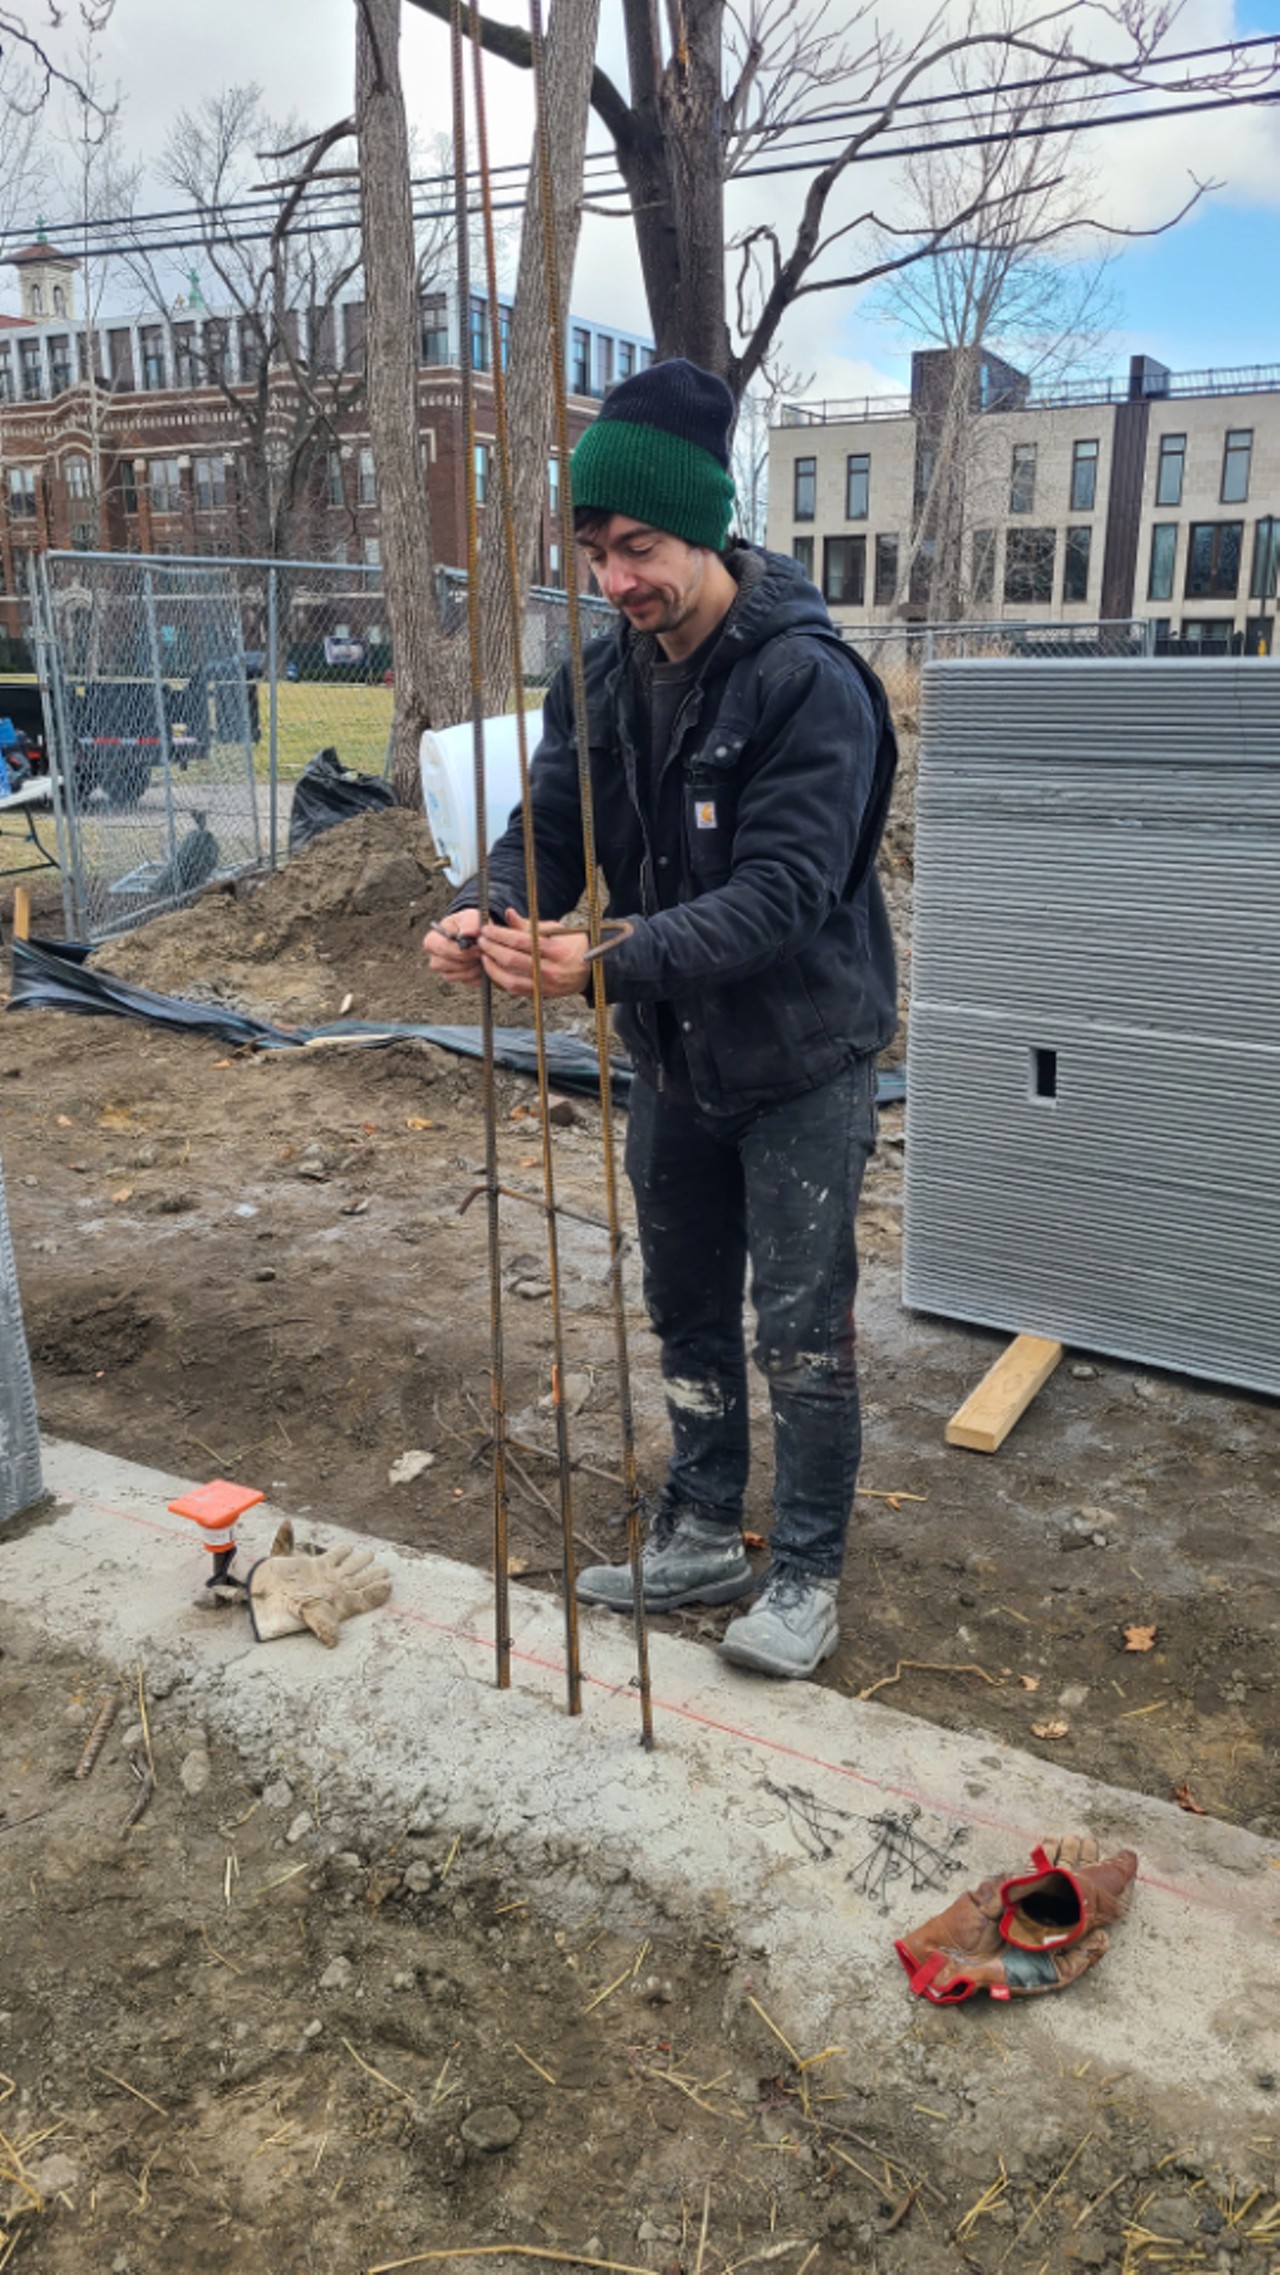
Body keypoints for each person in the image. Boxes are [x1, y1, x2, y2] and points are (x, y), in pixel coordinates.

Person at [425, 356, 898, 1678]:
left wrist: (595, 962)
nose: (618, 578)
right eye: (594, 551)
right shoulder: (603, 677)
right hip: (678, 1063)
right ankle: (700, 1524)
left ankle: (804, 1569)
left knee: (801, 1331)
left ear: (705, 524)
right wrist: (488, 909)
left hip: (801, 1061)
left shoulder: (810, 685)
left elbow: (782, 899)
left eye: (640, 547)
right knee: (686, 1301)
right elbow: (548, 830)